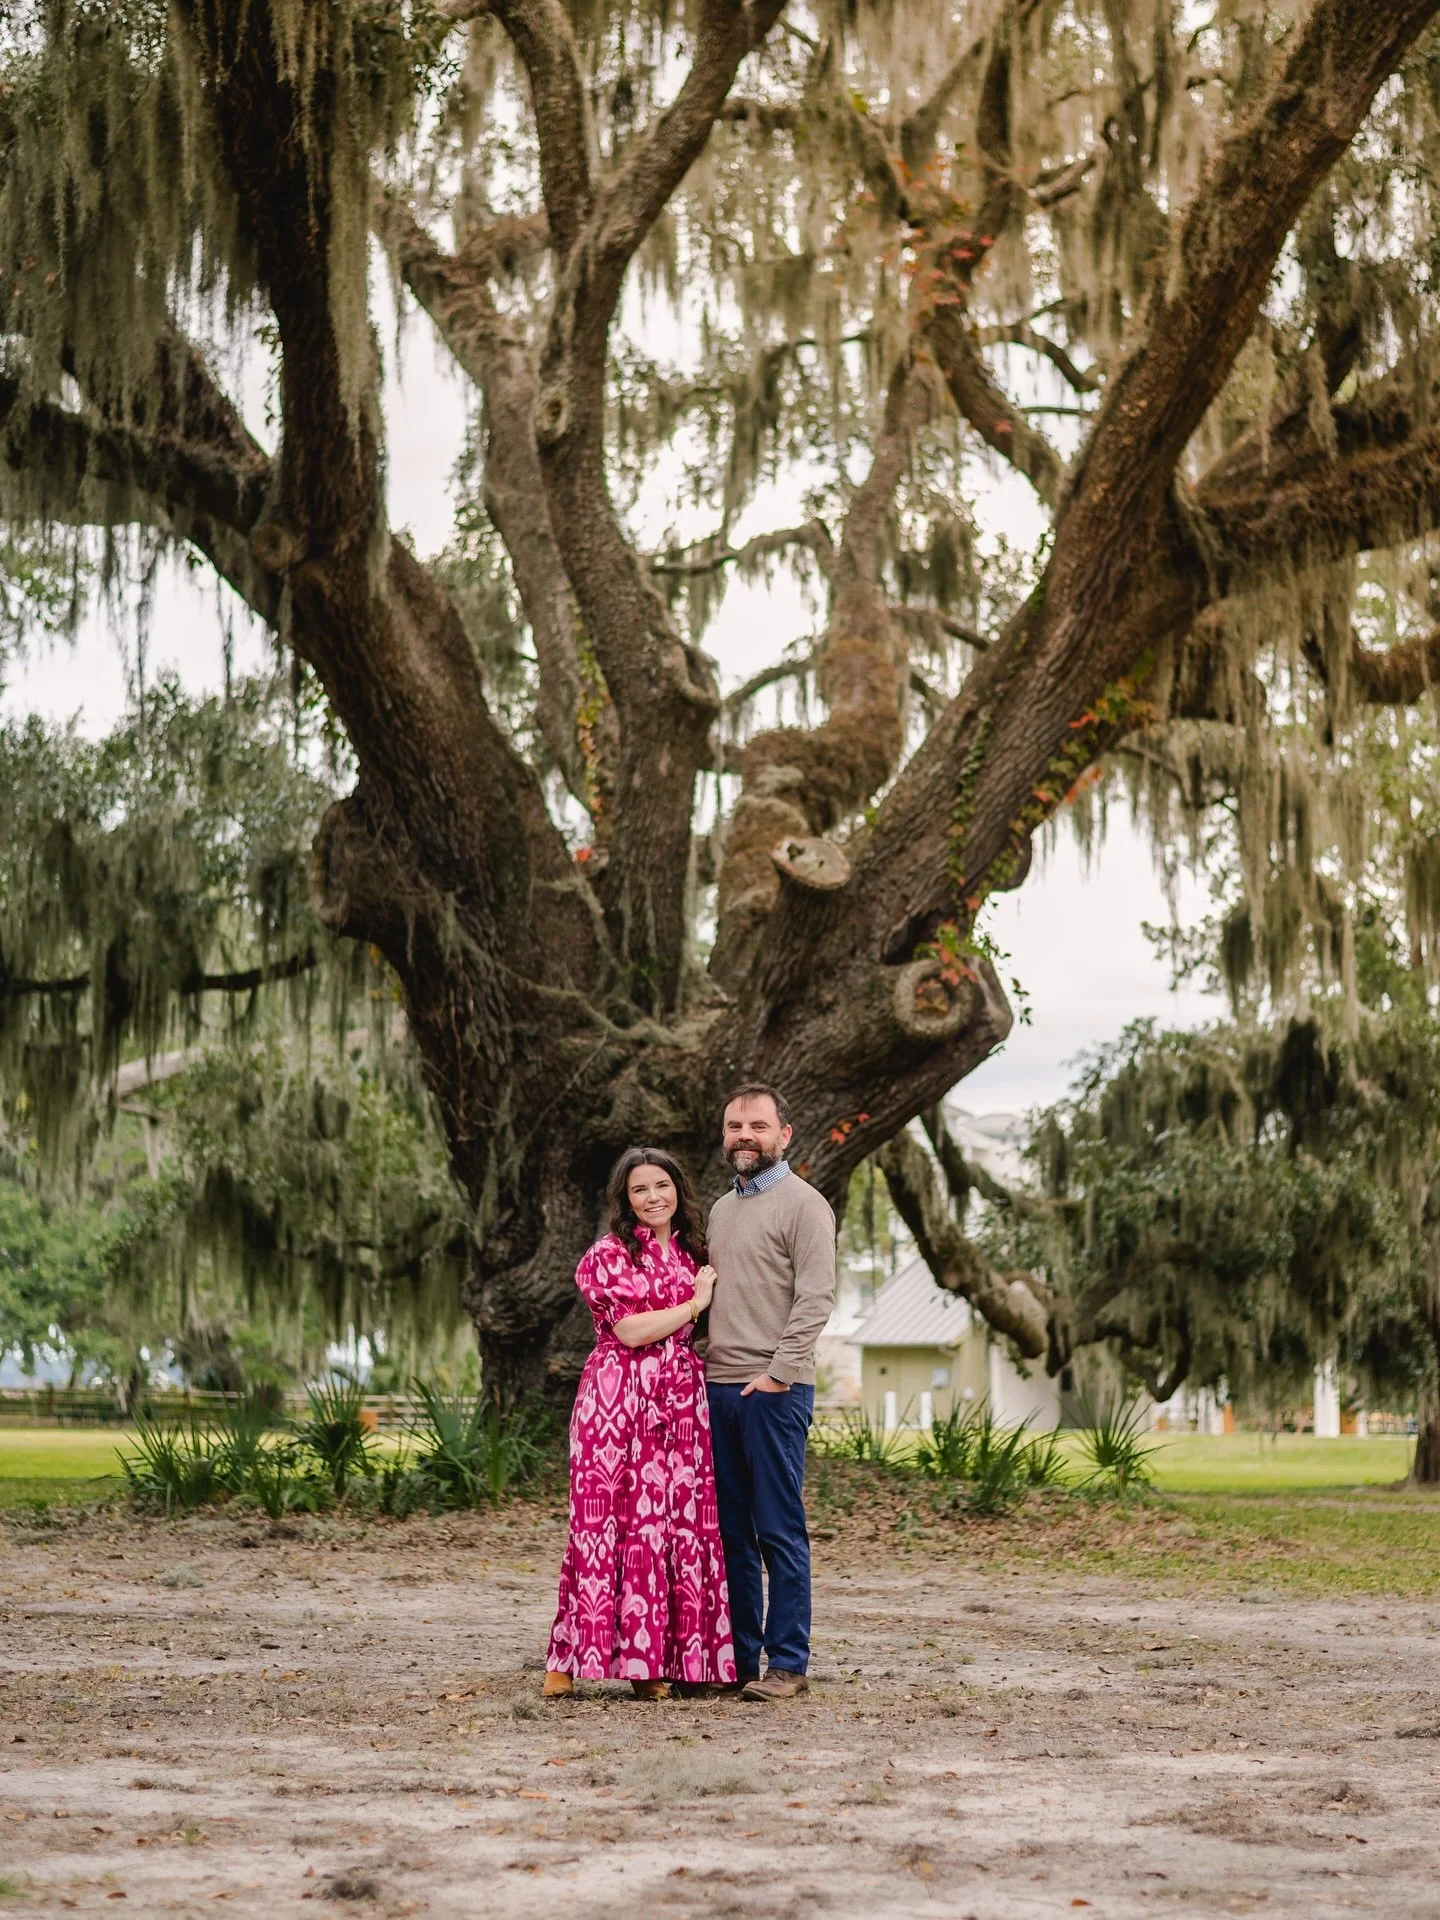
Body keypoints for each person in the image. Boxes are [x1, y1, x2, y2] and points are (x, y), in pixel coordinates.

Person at [543, 1146, 736, 1700]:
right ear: (625, 1200)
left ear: (678, 1189)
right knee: (605, 1526)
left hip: (679, 1403)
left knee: (669, 1528)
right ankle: (566, 1658)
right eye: (640, 1189)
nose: (653, 1197)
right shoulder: (608, 1254)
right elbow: (629, 1331)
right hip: (616, 1400)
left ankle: (651, 1662)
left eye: (661, 1185)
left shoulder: (694, 1253)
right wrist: (695, 1305)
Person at [705, 1083, 837, 1701]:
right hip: (716, 1389)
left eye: (758, 1126)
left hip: (774, 1391)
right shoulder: (719, 1211)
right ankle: (738, 1661)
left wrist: (778, 1374)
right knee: (730, 1532)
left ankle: (787, 1664)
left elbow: (816, 1298)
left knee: (777, 1530)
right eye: (735, 1126)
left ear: (784, 1134)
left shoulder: (805, 1205)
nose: (745, 1136)